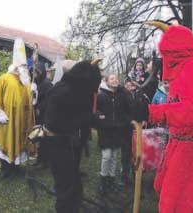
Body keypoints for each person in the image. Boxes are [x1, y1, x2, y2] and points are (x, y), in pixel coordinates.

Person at [137, 22, 193, 213]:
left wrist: (151, 112)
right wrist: (147, 111)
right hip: (178, 141)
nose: (164, 58)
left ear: (175, 50)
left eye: (166, 52)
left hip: (192, 146)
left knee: (177, 203)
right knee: (163, 188)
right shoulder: (184, 70)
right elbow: (178, 105)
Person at [44, 59, 102, 213]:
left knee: (74, 185)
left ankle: (74, 207)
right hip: (59, 145)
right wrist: (89, 119)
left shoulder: (73, 90)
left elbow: (80, 115)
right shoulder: (63, 91)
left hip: (68, 144)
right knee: (66, 188)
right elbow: (54, 123)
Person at [0, 38, 35, 178]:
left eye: (25, 67)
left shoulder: (26, 82)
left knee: (20, 142)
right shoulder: (4, 78)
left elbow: (30, 102)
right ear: (15, 67)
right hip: (7, 120)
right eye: (22, 67)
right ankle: (5, 168)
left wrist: (33, 93)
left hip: (22, 121)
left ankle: (16, 166)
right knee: (7, 140)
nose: (24, 69)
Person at [96, 73, 133, 194]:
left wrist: (125, 121)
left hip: (118, 129)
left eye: (116, 78)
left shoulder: (122, 94)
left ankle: (111, 180)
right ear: (106, 81)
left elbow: (128, 109)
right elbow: (96, 109)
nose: (115, 80)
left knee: (114, 157)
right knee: (106, 156)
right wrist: (98, 116)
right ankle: (103, 180)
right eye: (112, 78)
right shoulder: (101, 95)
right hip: (106, 130)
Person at [32, 62, 53, 167]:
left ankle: (45, 161)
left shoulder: (47, 84)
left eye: (36, 72)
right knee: (38, 138)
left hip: (45, 116)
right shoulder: (35, 84)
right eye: (33, 72)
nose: (34, 74)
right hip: (37, 116)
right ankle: (39, 158)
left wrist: (40, 107)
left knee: (44, 138)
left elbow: (50, 99)